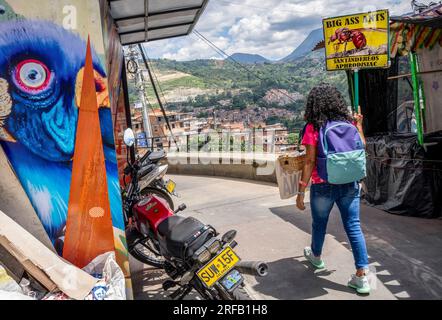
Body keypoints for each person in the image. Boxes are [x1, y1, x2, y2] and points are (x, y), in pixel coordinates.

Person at [296, 83, 370, 294]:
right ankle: (362, 277)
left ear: (313, 104)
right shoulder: (348, 122)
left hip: (323, 185)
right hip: (349, 183)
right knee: (353, 227)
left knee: (319, 224)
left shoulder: (313, 127)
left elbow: (309, 161)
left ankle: (317, 257)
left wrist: (301, 192)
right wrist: (360, 126)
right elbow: (361, 148)